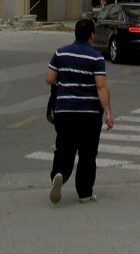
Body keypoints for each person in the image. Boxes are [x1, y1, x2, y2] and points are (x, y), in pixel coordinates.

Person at [46, 17, 113, 204]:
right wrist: (108, 112)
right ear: (92, 36)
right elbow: (101, 86)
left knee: (64, 148)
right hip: (89, 114)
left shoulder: (60, 53)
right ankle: (84, 192)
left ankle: (59, 174)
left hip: (65, 111)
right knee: (87, 154)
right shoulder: (96, 57)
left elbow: (50, 78)